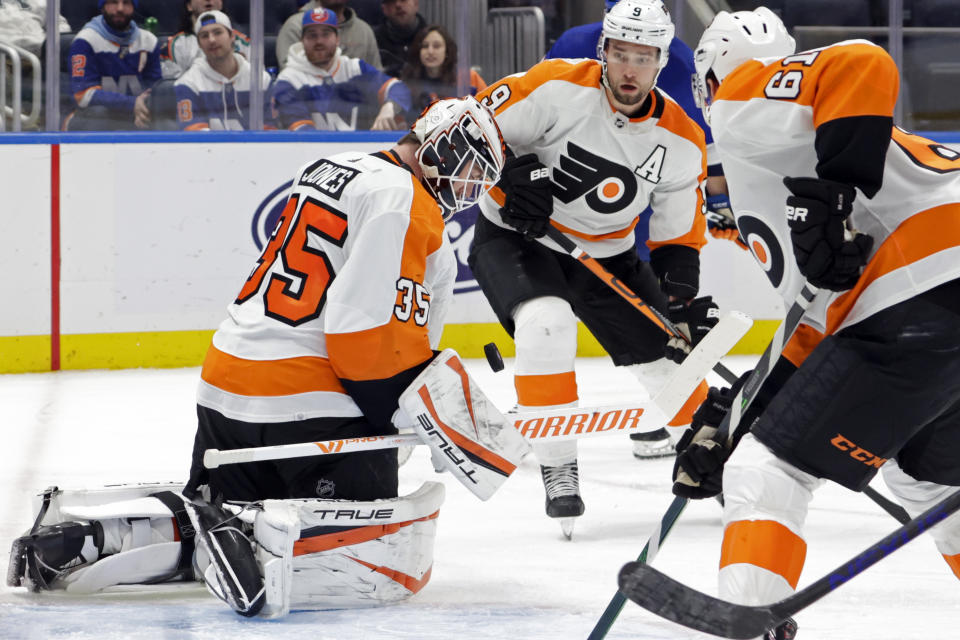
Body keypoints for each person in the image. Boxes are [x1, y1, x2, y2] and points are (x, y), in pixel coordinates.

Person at [8, 96, 509, 618]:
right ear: (443, 148)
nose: (471, 187)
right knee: (370, 552)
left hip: (224, 391)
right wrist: (412, 422)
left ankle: (95, 538)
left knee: (230, 503)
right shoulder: (407, 202)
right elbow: (363, 339)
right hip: (304, 410)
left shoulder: (332, 166)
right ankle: (256, 538)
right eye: (472, 167)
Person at [674, 8, 960, 639]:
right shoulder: (802, 152)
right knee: (926, 481)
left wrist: (833, 194)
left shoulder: (741, 106)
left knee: (768, 470)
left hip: (932, 283)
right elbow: (820, 326)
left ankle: (750, 623)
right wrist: (738, 411)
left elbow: (862, 60)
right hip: (929, 303)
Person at [469, 0, 717, 535]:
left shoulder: (681, 138)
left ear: (661, 61)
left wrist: (679, 299)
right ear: (604, 51)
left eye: (644, 57)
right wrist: (511, 177)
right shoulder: (555, 86)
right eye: (621, 54)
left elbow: (677, 236)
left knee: (667, 359)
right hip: (517, 241)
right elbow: (470, 132)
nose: (630, 69)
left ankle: (709, 452)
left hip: (609, 255)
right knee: (546, 324)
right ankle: (559, 468)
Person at [545, 0, 733, 459]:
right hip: (566, 199)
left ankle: (680, 412)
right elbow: (542, 115)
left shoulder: (681, 57)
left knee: (650, 318)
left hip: (639, 211)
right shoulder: (578, 46)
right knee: (549, 321)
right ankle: (546, 410)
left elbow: (699, 146)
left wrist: (721, 203)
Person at [271, 7, 411, 130]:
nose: (319, 41)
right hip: (312, 155)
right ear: (302, 41)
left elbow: (399, 88)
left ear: (337, 39)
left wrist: (390, 107)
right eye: (312, 35)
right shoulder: (288, 79)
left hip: (357, 153)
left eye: (326, 34)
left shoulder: (355, 69)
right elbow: (303, 133)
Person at [64, 0, 161, 131]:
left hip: (134, 116)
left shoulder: (149, 41)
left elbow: (155, 90)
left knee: (161, 119)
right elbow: (83, 96)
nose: (120, 8)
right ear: (103, 6)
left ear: (134, 7)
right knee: (98, 114)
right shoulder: (85, 41)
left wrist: (144, 107)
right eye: (113, 2)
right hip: (90, 120)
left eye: (126, 2)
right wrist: (132, 104)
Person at [173, 11, 273, 130]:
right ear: (199, 44)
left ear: (232, 37)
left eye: (218, 33)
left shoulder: (261, 80)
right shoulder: (188, 84)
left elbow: (270, 132)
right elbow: (196, 138)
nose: (212, 40)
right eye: (204, 36)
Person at [400, 24, 486, 114]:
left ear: (447, 51)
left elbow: (488, 107)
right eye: (425, 46)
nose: (430, 51)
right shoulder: (409, 79)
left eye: (436, 46)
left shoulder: (468, 77)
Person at [276, 0, 381, 70]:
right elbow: (291, 79)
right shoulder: (296, 26)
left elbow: (377, 82)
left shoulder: (364, 30)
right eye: (312, 35)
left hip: (358, 102)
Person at [162, 0, 250, 80]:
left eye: (217, 33)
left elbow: (256, 80)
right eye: (204, 36)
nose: (208, 0)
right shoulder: (175, 45)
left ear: (221, 3)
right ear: (189, 6)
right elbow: (171, 89)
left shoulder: (243, 43)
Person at [374, 0, 426, 78]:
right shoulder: (373, 41)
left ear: (416, 4)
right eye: (392, 1)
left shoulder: (432, 41)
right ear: (384, 9)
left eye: (403, 0)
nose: (398, 5)